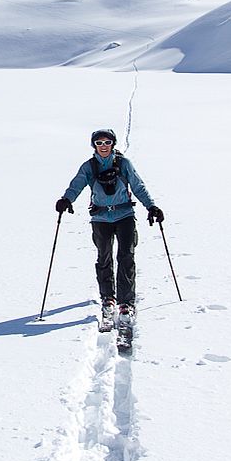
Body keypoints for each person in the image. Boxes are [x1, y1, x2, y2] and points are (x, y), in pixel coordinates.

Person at [55, 129, 163, 325]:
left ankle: (126, 302)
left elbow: (138, 186)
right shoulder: (89, 167)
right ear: (94, 145)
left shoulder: (124, 164)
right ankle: (108, 298)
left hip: (125, 215)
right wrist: (66, 199)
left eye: (107, 142)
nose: (103, 146)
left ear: (113, 144)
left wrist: (151, 206)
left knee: (126, 257)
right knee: (104, 257)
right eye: (99, 143)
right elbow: (76, 185)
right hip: (100, 218)